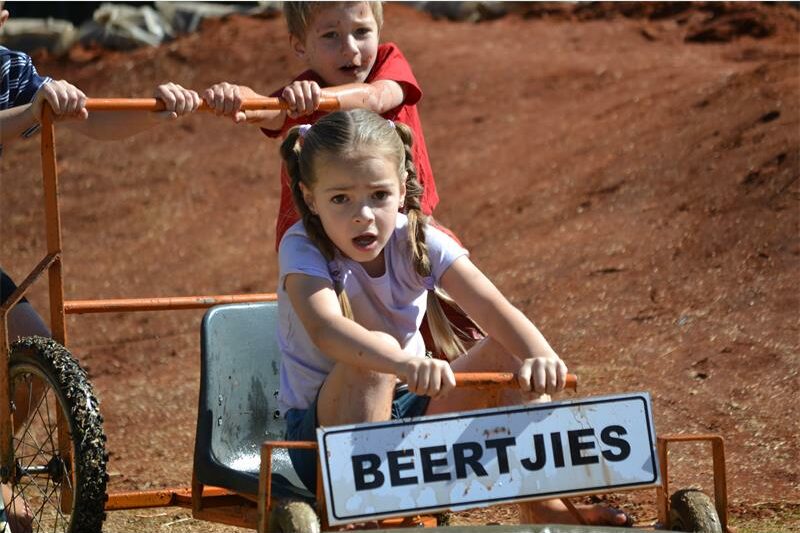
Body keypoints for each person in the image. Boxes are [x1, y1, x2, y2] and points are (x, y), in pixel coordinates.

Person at [275, 109, 632, 526]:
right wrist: (401, 362)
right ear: (310, 197)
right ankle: (364, 513)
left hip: (409, 410)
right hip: (321, 440)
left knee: (510, 352)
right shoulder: (301, 246)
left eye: (378, 195)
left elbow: (493, 308)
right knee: (374, 358)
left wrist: (540, 355)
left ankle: (545, 505)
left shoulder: (420, 237)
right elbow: (326, 330)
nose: (363, 215)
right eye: (340, 199)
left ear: (403, 186)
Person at [1, 4, 201, 530]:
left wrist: (153, 107)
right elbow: (27, 115)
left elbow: (88, 116)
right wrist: (31, 112)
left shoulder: (6, 69)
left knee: (35, 354)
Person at [201, 0, 482, 359]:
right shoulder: (303, 91)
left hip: (407, 234)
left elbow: (374, 97)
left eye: (361, 31)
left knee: (460, 334)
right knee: (357, 347)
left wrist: (314, 100)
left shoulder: (388, 65)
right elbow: (266, 113)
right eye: (331, 35)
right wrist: (233, 96)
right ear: (301, 46)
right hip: (329, 246)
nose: (350, 49)